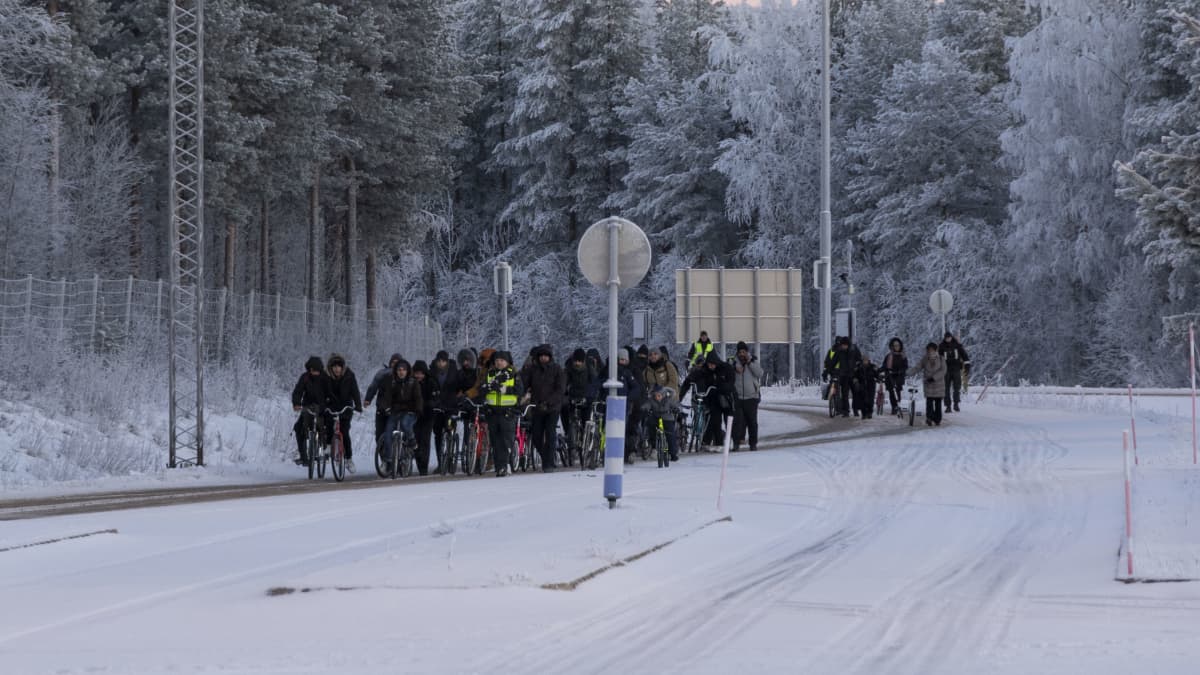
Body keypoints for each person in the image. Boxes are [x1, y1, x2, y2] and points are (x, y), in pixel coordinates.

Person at [521, 344, 566, 472]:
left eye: (546, 356)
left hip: (553, 408)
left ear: (550, 357)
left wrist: (549, 402)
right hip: (537, 407)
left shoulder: (557, 369)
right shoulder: (532, 370)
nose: (544, 358)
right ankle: (546, 457)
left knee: (550, 433)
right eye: (541, 356)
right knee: (536, 436)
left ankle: (549, 463)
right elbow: (524, 384)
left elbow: (560, 389)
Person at [482, 351, 524, 476]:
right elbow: (482, 389)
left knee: (506, 440)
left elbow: (519, 390)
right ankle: (499, 466)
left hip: (508, 411)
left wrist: (504, 389)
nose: (499, 362)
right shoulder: (490, 374)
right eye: (497, 360)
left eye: (502, 360)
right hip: (493, 411)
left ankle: (505, 465)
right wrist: (487, 388)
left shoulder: (513, 374)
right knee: (495, 441)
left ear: (507, 362)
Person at [683, 352, 735, 449]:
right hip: (712, 398)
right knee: (715, 420)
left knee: (729, 420)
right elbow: (690, 381)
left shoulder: (725, 368)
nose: (711, 366)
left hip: (726, 398)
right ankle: (716, 442)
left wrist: (721, 387)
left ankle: (731, 442)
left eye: (712, 364)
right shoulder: (703, 370)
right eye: (709, 364)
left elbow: (731, 383)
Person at [291, 356, 332, 465]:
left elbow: (331, 393)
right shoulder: (305, 378)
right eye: (313, 370)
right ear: (309, 369)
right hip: (307, 407)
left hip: (322, 408)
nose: (315, 373)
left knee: (325, 427)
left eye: (317, 371)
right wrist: (296, 403)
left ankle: (325, 450)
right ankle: (304, 457)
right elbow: (298, 391)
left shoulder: (325, 378)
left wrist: (329, 404)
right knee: (299, 428)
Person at [326, 354, 363, 473]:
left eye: (339, 366)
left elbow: (355, 391)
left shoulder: (349, 376)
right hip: (331, 405)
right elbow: (321, 391)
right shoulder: (326, 377)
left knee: (344, 432)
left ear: (342, 367)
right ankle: (328, 445)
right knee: (328, 424)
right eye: (334, 366)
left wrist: (358, 405)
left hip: (345, 407)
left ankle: (348, 459)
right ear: (330, 368)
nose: (337, 369)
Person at [381, 359, 423, 465]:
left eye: (404, 370)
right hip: (395, 411)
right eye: (399, 370)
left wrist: (418, 409)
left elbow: (418, 397)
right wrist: (385, 407)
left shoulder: (413, 382)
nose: (401, 372)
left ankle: (412, 440)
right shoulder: (392, 382)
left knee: (405, 424)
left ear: (407, 371)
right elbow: (387, 397)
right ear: (396, 371)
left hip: (410, 411)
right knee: (388, 432)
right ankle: (388, 459)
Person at [363, 352, 403, 445]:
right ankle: (384, 457)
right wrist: (368, 399)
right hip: (382, 409)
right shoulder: (382, 373)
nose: (395, 365)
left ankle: (402, 454)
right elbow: (373, 386)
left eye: (398, 363)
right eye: (393, 362)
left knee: (400, 433)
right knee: (379, 436)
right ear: (390, 363)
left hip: (398, 410)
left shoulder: (405, 375)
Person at [730, 341, 762, 451]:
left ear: (747, 352)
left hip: (751, 397)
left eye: (744, 351)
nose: (742, 354)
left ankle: (753, 444)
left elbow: (759, 373)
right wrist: (734, 367)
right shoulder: (733, 362)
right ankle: (736, 443)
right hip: (737, 397)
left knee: (752, 422)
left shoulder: (753, 361)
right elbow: (727, 372)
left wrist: (749, 363)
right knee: (737, 422)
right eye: (740, 352)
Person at [429, 350, 458, 469]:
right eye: (439, 361)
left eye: (443, 361)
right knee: (438, 435)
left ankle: (450, 458)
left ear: (447, 362)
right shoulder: (432, 371)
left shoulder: (454, 371)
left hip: (451, 406)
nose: (441, 363)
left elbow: (458, 386)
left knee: (449, 429)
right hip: (437, 407)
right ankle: (441, 462)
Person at [616, 348, 644, 463]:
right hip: (619, 403)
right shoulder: (613, 370)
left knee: (630, 427)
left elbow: (638, 388)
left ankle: (630, 451)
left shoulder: (634, 371)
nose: (623, 361)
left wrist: (630, 399)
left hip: (632, 403)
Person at [562, 348, 592, 453]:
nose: (577, 363)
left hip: (585, 398)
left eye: (579, 361)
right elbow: (564, 382)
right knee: (567, 414)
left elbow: (594, 383)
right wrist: (564, 392)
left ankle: (585, 439)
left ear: (583, 361)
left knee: (585, 420)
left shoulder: (589, 369)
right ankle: (569, 436)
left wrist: (589, 396)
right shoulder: (568, 369)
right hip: (572, 397)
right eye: (576, 361)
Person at [910, 342, 947, 426]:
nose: (931, 351)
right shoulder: (925, 359)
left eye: (932, 350)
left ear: (936, 350)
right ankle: (929, 418)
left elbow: (943, 371)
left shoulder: (941, 359)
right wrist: (909, 372)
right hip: (928, 385)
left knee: (938, 404)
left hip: (938, 385)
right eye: (929, 350)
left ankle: (937, 419)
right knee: (929, 403)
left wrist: (934, 378)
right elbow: (917, 367)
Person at [641, 385, 680, 463]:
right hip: (656, 417)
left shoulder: (668, 400)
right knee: (650, 425)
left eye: (659, 395)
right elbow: (647, 405)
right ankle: (653, 445)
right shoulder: (651, 400)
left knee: (670, 435)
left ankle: (673, 453)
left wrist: (676, 409)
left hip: (667, 418)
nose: (657, 397)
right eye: (656, 395)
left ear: (663, 394)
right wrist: (644, 408)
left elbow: (676, 405)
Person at [411, 360, 436, 475]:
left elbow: (435, 398)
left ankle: (424, 467)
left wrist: (430, 403)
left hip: (428, 415)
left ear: (425, 373)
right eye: (416, 373)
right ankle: (419, 464)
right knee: (415, 441)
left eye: (421, 373)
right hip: (415, 415)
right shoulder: (411, 383)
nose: (419, 376)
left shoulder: (431, 383)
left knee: (425, 440)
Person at [939, 332, 970, 412]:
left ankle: (956, 404)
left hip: (956, 369)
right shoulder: (941, 347)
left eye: (949, 337)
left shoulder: (957, 346)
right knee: (946, 389)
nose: (948, 339)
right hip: (946, 370)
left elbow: (965, 356)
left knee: (957, 388)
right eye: (946, 338)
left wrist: (967, 366)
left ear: (951, 337)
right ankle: (948, 406)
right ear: (945, 338)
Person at [822, 338, 854, 417]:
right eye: (843, 345)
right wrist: (825, 372)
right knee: (836, 391)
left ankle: (846, 411)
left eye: (845, 345)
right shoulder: (838, 353)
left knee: (845, 393)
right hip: (838, 374)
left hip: (847, 376)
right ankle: (838, 409)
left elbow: (854, 363)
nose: (844, 346)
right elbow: (832, 363)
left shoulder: (851, 353)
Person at [881, 337, 908, 416]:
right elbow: (884, 365)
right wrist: (879, 370)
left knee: (897, 391)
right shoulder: (888, 356)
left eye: (898, 345)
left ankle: (898, 404)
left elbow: (905, 366)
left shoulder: (903, 356)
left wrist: (901, 371)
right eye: (895, 345)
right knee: (891, 392)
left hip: (898, 376)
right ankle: (894, 406)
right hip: (890, 375)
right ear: (892, 346)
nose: (896, 347)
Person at [852, 355, 881, 420]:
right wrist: (856, 381)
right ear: (862, 360)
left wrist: (879, 378)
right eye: (864, 360)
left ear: (868, 360)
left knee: (870, 400)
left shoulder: (872, 367)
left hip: (871, 385)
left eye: (866, 360)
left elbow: (877, 374)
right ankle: (864, 413)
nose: (865, 361)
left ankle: (870, 412)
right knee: (862, 400)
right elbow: (854, 375)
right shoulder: (858, 367)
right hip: (861, 385)